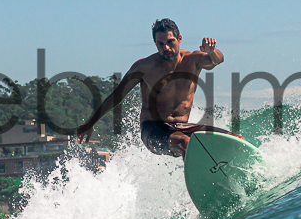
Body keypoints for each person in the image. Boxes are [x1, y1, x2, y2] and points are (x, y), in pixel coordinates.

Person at [77, 18, 234, 158]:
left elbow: (217, 60)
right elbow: (117, 96)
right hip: (152, 129)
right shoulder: (145, 67)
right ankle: (199, 179)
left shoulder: (193, 60)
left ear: (179, 39)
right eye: (160, 44)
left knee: (233, 140)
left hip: (181, 127)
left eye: (170, 41)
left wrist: (212, 51)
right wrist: (91, 123)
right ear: (155, 44)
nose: (166, 47)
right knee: (184, 143)